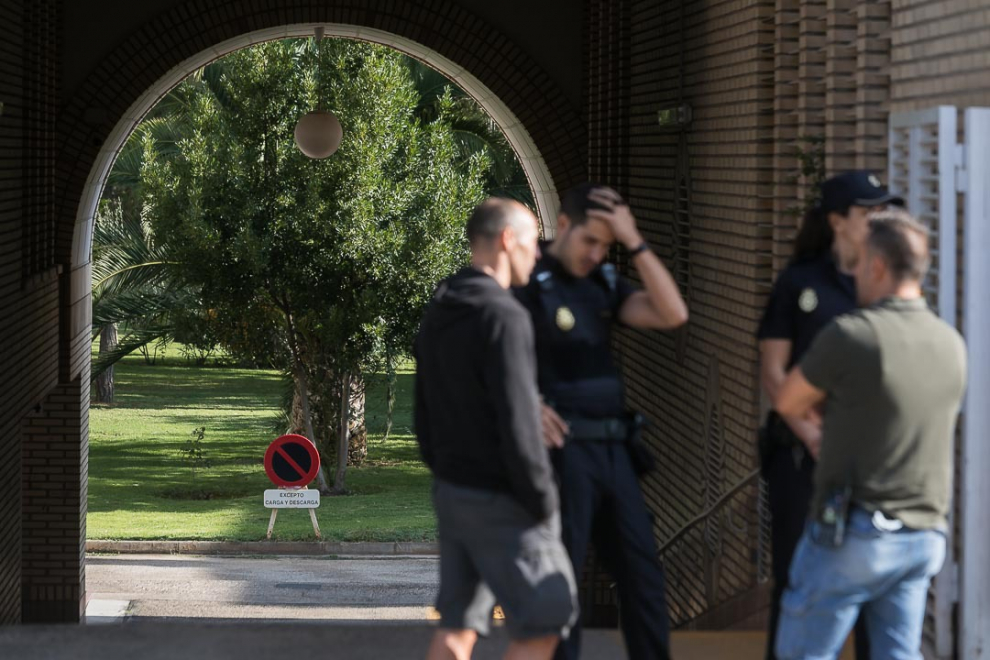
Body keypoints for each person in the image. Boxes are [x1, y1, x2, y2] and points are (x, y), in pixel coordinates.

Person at [773, 210, 967, 659]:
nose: (855, 273)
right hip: (923, 534)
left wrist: (831, 407)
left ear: (878, 266)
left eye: (860, 263)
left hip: (856, 529)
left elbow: (787, 400)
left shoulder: (852, 335)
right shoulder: (949, 343)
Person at [513, 183, 688, 660]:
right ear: (564, 225)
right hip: (559, 454)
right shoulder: (527, 280)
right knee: (559, 584)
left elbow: (673, 313)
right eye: (590, 240)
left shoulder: (603, 283)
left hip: (613, 453)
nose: (596, 253)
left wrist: (636, 242)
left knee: (644, 578)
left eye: (606, 245)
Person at [414, 198, 578, 660]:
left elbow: (422, 411)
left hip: (453, 490)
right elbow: (520, 420)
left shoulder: (442, 305)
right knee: (546, 620)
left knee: (458, 626)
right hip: (505, 497)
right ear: (507, 240)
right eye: (530, 242)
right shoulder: (504, 316)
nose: (538, 253)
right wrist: (544, 500)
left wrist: (446, 471)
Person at [757, 171, 903, 660]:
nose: (880, 221)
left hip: (865, 459)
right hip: (802, 455)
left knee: (870, 582)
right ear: (838, 220)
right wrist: (813, 435)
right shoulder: (799, 282)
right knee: (798, 575)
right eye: (869, 212)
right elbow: (774, 372)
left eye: (885, 212)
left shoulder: (884, 282)